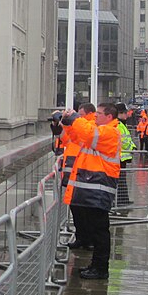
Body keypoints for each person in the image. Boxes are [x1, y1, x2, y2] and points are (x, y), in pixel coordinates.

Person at [60, 102, 121, 279]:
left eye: (99, 114)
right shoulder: (99, 131)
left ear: (109, 117)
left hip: (99, 187)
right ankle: (96, 266)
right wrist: (65, 122)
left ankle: (101, 268)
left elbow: (87, 133)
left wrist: (75, 118)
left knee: (100, 231)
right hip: (93, 187)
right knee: (96, 229)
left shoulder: (110, 132)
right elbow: (76, 137)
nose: (96, 116)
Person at [59, 103, 95, 249]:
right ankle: (81, 237)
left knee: (87, 212)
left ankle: (89, 240)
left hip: (86, 175)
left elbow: (85, 133)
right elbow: (69, 138)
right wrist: (61, 123)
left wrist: (73, 118)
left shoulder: (91, 126)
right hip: (74, 172)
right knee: (77, 210)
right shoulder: (81, 126)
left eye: (80, 114)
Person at [114, 103, 136, 206]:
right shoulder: (118, 124)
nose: (127, 115)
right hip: (120, 157)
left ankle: (124, 199)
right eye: (125, 113)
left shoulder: (122, 124)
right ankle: (121, 201)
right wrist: (131, 147)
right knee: (120, 180)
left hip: (123, 157)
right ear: (120, 113)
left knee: (122, 180)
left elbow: (127, 138)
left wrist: (133, 146)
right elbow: (123, 141)